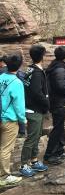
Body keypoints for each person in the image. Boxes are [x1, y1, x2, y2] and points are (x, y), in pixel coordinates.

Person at [19, 45, 49, 177]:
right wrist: (47, 103)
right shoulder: (36, 72)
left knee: (36, 136)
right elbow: (37, 92)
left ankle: (34, 160)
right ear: (42, 56)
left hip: (35, 108)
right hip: (34, 109)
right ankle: (24, 164)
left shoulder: (30, 69)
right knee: (32, 138)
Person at [44, 46, 65, 165]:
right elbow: (61, 88)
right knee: (57, 128)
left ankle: (59, 151)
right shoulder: (59, 70)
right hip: (58, 103)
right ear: (64, 55)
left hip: (57, 102)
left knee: (60, 127)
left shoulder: (56, 65)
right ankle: (49, 154)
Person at [0, 54, 26, 186]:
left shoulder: (0, 78)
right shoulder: (17, 82)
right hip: (9, 120)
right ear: (19, 65)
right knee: (6, 149)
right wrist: (23, 120)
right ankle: (4, 176)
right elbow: (19, 105)